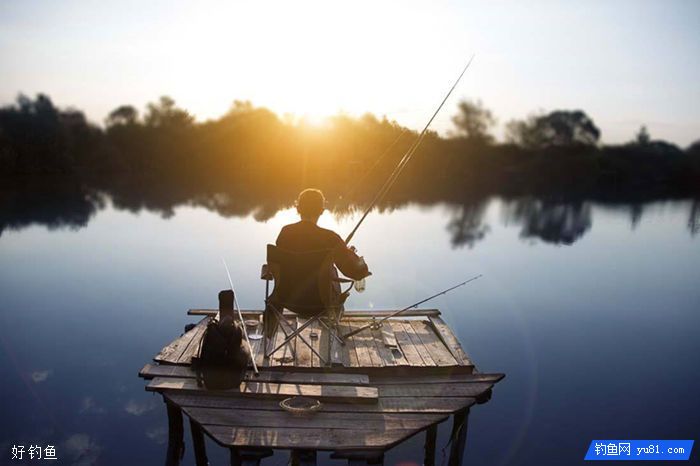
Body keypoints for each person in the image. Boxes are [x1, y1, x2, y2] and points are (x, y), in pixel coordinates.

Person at [276, 188, 371, 283]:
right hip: (319, 297)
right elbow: (357, 273)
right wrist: (350, 254)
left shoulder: (285, 232)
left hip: (284, 296)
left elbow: (278, 265)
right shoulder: (331, 238)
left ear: (298, 208)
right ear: (321, 211)